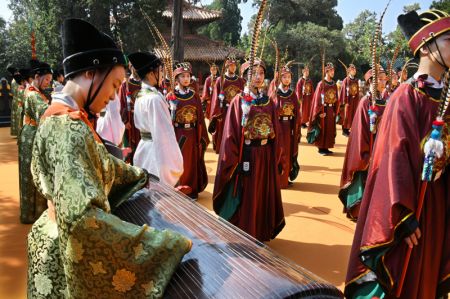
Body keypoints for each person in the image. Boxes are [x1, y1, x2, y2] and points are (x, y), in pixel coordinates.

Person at [28, 19, 191, 298]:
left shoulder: (54, 117)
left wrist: (141, 177)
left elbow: (98, 165)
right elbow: (83, 221)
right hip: (64, 252)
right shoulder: (70, 130)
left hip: (48, 238)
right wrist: (163, 244)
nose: (115, 95)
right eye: (114, 85)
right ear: (91, 73)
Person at [345, 10, 450, 298]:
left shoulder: (446, 98)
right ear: (427, 47)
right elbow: (394, 161)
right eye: (449, 39)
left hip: (438, 206)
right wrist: (403, 217)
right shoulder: (406, 97)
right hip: (410, 210)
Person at [212, 59, 285, 242]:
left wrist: (277, 156)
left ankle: (262, 230)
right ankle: (248, 232)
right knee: (249, 195)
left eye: (261, 73)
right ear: (245, 78)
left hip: (266, 155)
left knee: (263, 194)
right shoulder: (238, 101)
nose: (259, 77)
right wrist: (234, 161)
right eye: (254, 73)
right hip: (248, 156)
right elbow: (230, 134)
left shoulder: (268, 102)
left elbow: (276, 131)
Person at [338, 68, 387, 220]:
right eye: (380, 79)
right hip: (368, 150)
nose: (383, 81)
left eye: (384, 78)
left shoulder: (386, 100)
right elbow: (360, 132)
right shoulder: (365, 102)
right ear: (370, 82)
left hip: (382, 150)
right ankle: (359, 210)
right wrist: (367, 153)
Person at [129, 51, 183, 187]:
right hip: (156, 155)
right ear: (151, 73)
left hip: (143, 151)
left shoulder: (141, 95)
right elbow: (164, 136)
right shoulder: (154, 99)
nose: (162, 75)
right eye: (160, 70)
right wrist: (173, 165)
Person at [18, 59, 52, 224]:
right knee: (33, 173)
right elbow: (44, 114)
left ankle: (32, 212)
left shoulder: (34, 91)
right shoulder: (32, 94)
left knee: (32, 173)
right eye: (46, 80)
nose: (48, 83)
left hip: (30, 133)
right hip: (31, 136)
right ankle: (34, 214)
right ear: (37, 77)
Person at [169, 63, 209, 199]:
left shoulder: (194, 95)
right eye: (183, 76)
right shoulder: (171, 96)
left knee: (192, 163)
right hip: (178, 134)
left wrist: (202, 136)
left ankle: (191, 191)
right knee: (179, 162)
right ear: (177, 79)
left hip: (192, 134)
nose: (186, 79)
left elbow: (200, 119)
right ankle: (179, 190)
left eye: (188, 76)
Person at [270, 63, 301, 188]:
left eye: (289, 77)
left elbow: (297, 113)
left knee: (287, 152)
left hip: (288, 127)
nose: (287, 79)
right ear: (280, 78)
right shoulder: (275, 93)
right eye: (284, 77)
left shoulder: (292, 94)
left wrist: (296, 129)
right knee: (279, 152)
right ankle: (277, 179)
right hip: (278, 127)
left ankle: (285, 177)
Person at [209, 56, 245, 153]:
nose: (233, 67)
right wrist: (217, 113)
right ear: (226, 66)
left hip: (237, 111)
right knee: (224, 130)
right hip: (224, 111)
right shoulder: (220, 80)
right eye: (231, 65)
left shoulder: (240, 81)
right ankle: (223, 149)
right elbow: (215, 98)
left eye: (234, 66)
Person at [307, 62, 339, 156]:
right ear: (327, 71)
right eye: (331, 70)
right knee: (323, 128)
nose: (333, 72)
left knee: (330, 129)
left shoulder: (334, 84)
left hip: (330, 110)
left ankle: (327, 147)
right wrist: (319, 112)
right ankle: (321, 147)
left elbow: (337, 98)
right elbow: (317, 99)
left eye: (333, 70)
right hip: (323, 110)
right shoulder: (321, 84)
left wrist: (334, 110)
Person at [118, 61, 141, 163]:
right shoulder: (126, 84)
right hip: (130, 119)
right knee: (131, 144)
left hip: (142, 118)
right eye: (134, 67)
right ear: (131, 67)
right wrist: (124, 120)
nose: (137, 69)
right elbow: (121, 102)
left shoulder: (144, 83)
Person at [339, 64, 360, 137]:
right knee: (347, 115)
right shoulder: (346, 80)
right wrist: (345, 102)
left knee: (353, 115)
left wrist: (357, 100)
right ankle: (345, 130)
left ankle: (350, 129)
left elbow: (357, 91)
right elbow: (343, 91)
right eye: (352, 69)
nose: (354, 71)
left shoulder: (356, 80)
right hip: (348, 101)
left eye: (355, 69)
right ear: (349, 71)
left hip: (354, 100)